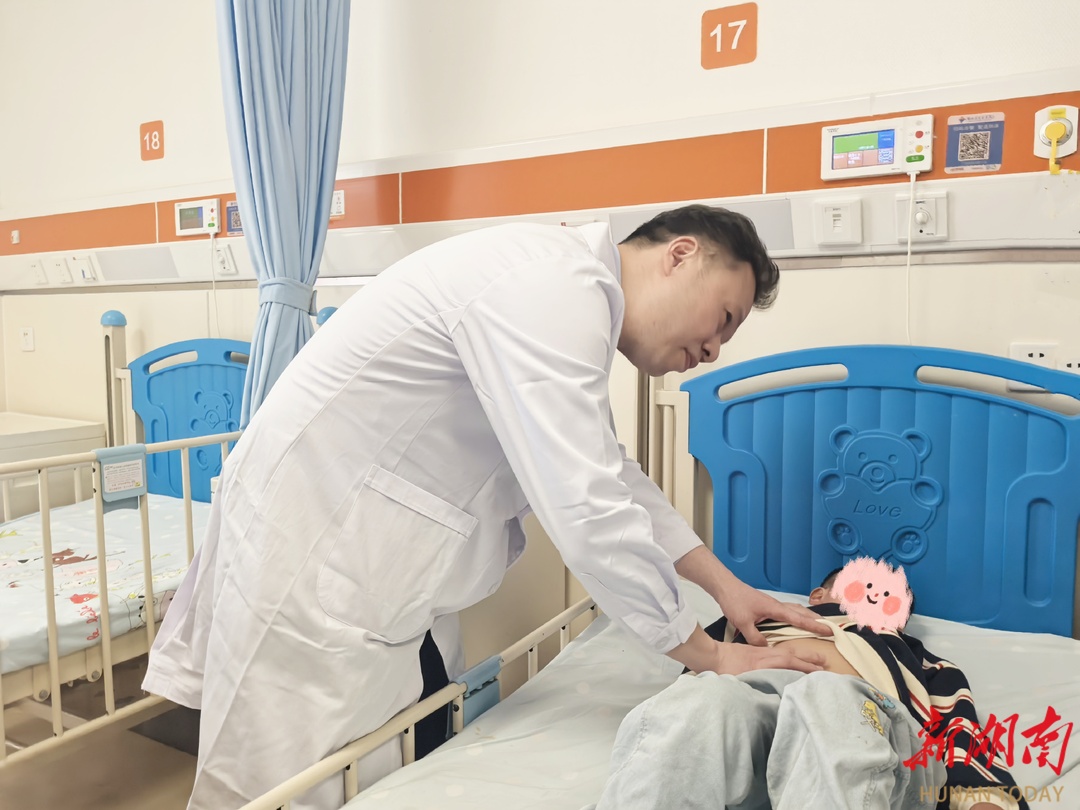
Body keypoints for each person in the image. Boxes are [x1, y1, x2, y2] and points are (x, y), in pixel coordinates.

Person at [142, 204, 830, 810]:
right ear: (680, 254)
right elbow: (589, 510)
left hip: (368, 563)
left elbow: (610, 475)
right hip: (311, 550)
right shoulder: (553, 287)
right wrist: (708, 655)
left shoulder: (568, 293)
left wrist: (727, 588)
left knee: (369, 766)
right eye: (723, 319)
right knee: (276, 786)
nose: (712, 350)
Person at [594, 568, 1027, 810]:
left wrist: (983, 797)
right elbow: (692, 675)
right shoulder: (750, 620)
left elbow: (960, 730)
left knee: (828, 696)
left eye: (896, 600)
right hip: (748, 739)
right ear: (819, 595)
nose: (883, 597)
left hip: (868, 735)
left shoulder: (916, 657)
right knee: (702, 701)